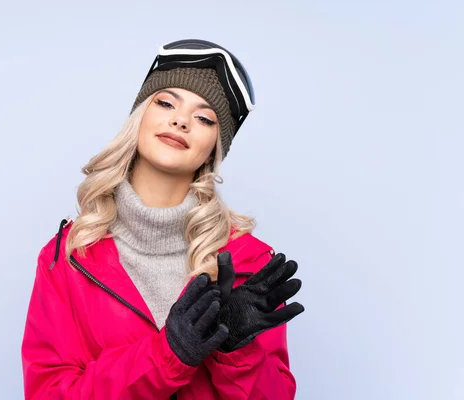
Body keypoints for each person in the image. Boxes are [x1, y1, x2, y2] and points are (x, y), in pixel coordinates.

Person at [21, 39, 305, 400]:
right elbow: (49, 393)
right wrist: (167, 355)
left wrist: (237, 352)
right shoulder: (70, 256)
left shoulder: (249, 261)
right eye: (166, 102)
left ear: (215, 147)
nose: (180, 120)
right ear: (139, 117)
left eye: (204, 118)